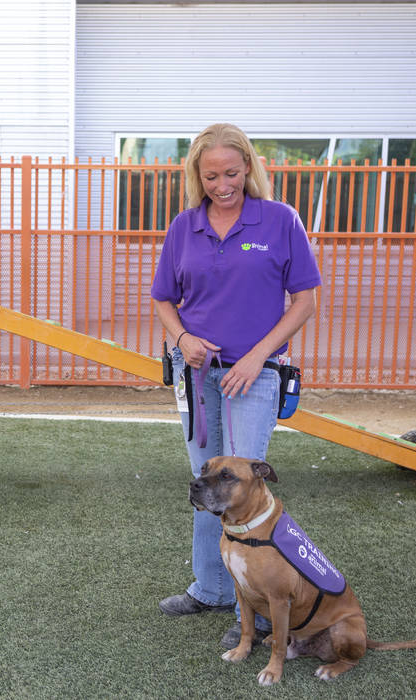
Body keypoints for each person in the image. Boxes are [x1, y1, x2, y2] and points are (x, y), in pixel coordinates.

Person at [150, 123, 321, 647]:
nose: (222, 184)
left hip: (257, 374)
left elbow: (305, 302)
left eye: (230, 172)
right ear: (196, 177)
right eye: (210, 176)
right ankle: (211, 589)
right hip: (198, 375)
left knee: (242, 492)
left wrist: (256, 357)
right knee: (207, 487)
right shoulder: (185, 225)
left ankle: (266, 610)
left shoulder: (280, 220)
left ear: (248, 167)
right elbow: (164, 299)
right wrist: (183, 338)